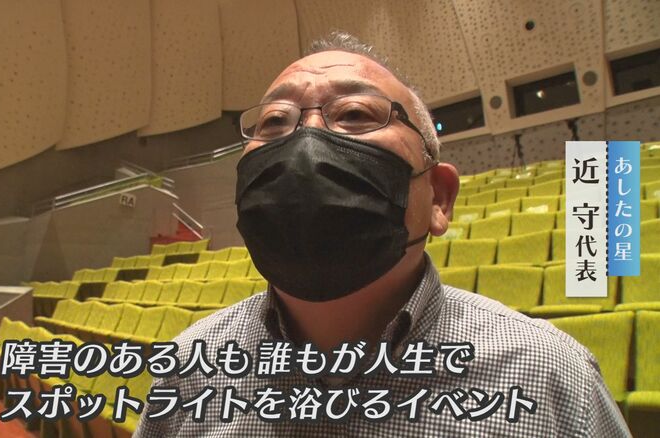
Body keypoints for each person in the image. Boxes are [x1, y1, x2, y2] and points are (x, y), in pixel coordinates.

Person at [133, 31, 630, 437]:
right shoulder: (188, 367)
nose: (306, 139)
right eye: (274, 121)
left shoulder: (549, 375)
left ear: (439, 198)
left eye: (354, 114)